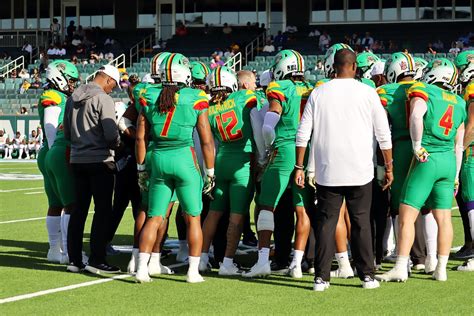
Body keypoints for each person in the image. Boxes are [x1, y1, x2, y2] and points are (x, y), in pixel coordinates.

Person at [296, 48, 393, 291]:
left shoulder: (318, 93)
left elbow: (303, 133)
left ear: (334, 67)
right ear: (353, 67)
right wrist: (389, 166)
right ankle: (367, 276)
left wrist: (300, 165)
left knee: (326, 222)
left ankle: (321, 277)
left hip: (328, 169)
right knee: (361, 222)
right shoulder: (367, 92)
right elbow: (383, 134)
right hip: (360, 168)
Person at [376, 59, 466, 283]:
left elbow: (416, 115)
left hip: (428, 157)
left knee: (406, 214)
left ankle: (400, 265)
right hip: (448, 161)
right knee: (443, 217)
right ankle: (440, 267)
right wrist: (455, 175)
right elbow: (459, 143)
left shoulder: (424, 90)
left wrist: (417, 145)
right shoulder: (459, 101)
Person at [134, 53, 215, 283]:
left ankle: (142, 269)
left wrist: (141, 168)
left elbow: (140, 139)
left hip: (158, 158)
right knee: (193, 218)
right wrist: (210, 171)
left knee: (154, 216)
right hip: (184, 159)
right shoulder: (195, 96)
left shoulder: (148, 95)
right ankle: (192, 271)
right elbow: (207, 141)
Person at [243, 49, 314, 279]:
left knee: (267, 205)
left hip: (283, 151)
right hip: (306, 151)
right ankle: (297, 264)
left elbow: (268, 124)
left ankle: (263, 261)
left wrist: (269, 145)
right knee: (301, 210)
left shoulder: (279, 88)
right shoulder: (310, 88)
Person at [200, 68, 261, 276]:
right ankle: (227, 262)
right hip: (241, 163)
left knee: (213, 214)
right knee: (236, 217)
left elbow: (209, 141)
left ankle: (201, 258)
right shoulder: (244, 97)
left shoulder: (209, 107)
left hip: (221, 161)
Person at [63, 64, 122, 274]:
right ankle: (97, 258)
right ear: (107, 79)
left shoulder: (72, 98)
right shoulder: (103, 99)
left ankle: (74, 259)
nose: (113, 89)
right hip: (100, 159)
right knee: (103, 210)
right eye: (113, 84)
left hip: (78, 159)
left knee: (79, 211)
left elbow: (67, 133)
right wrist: (118, 142)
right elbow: (110, 134)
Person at [377, 52, 430, 272]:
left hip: (398, 146)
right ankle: (426, 257)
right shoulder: (425, 87)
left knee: (399, 204)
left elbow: (378, 126)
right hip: (425, 147)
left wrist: (382, 165)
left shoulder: (384, 91)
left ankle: (404, 255)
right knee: (424, 204)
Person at [40, 60, 80, 264]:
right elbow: (50, 127)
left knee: (55, 204)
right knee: (69, 203)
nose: (72, 84)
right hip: (56, 149)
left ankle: (55, 249)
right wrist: (57, 149)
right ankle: (67, 250)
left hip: (49, 151)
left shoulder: (59, 95)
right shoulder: (54, 95)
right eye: (71, 80)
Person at [455, 50, 474, 270]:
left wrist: (458, 149)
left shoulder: (471, 88)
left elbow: (471, 126)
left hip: (471, 153)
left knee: (470, 201)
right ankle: (469, 243)